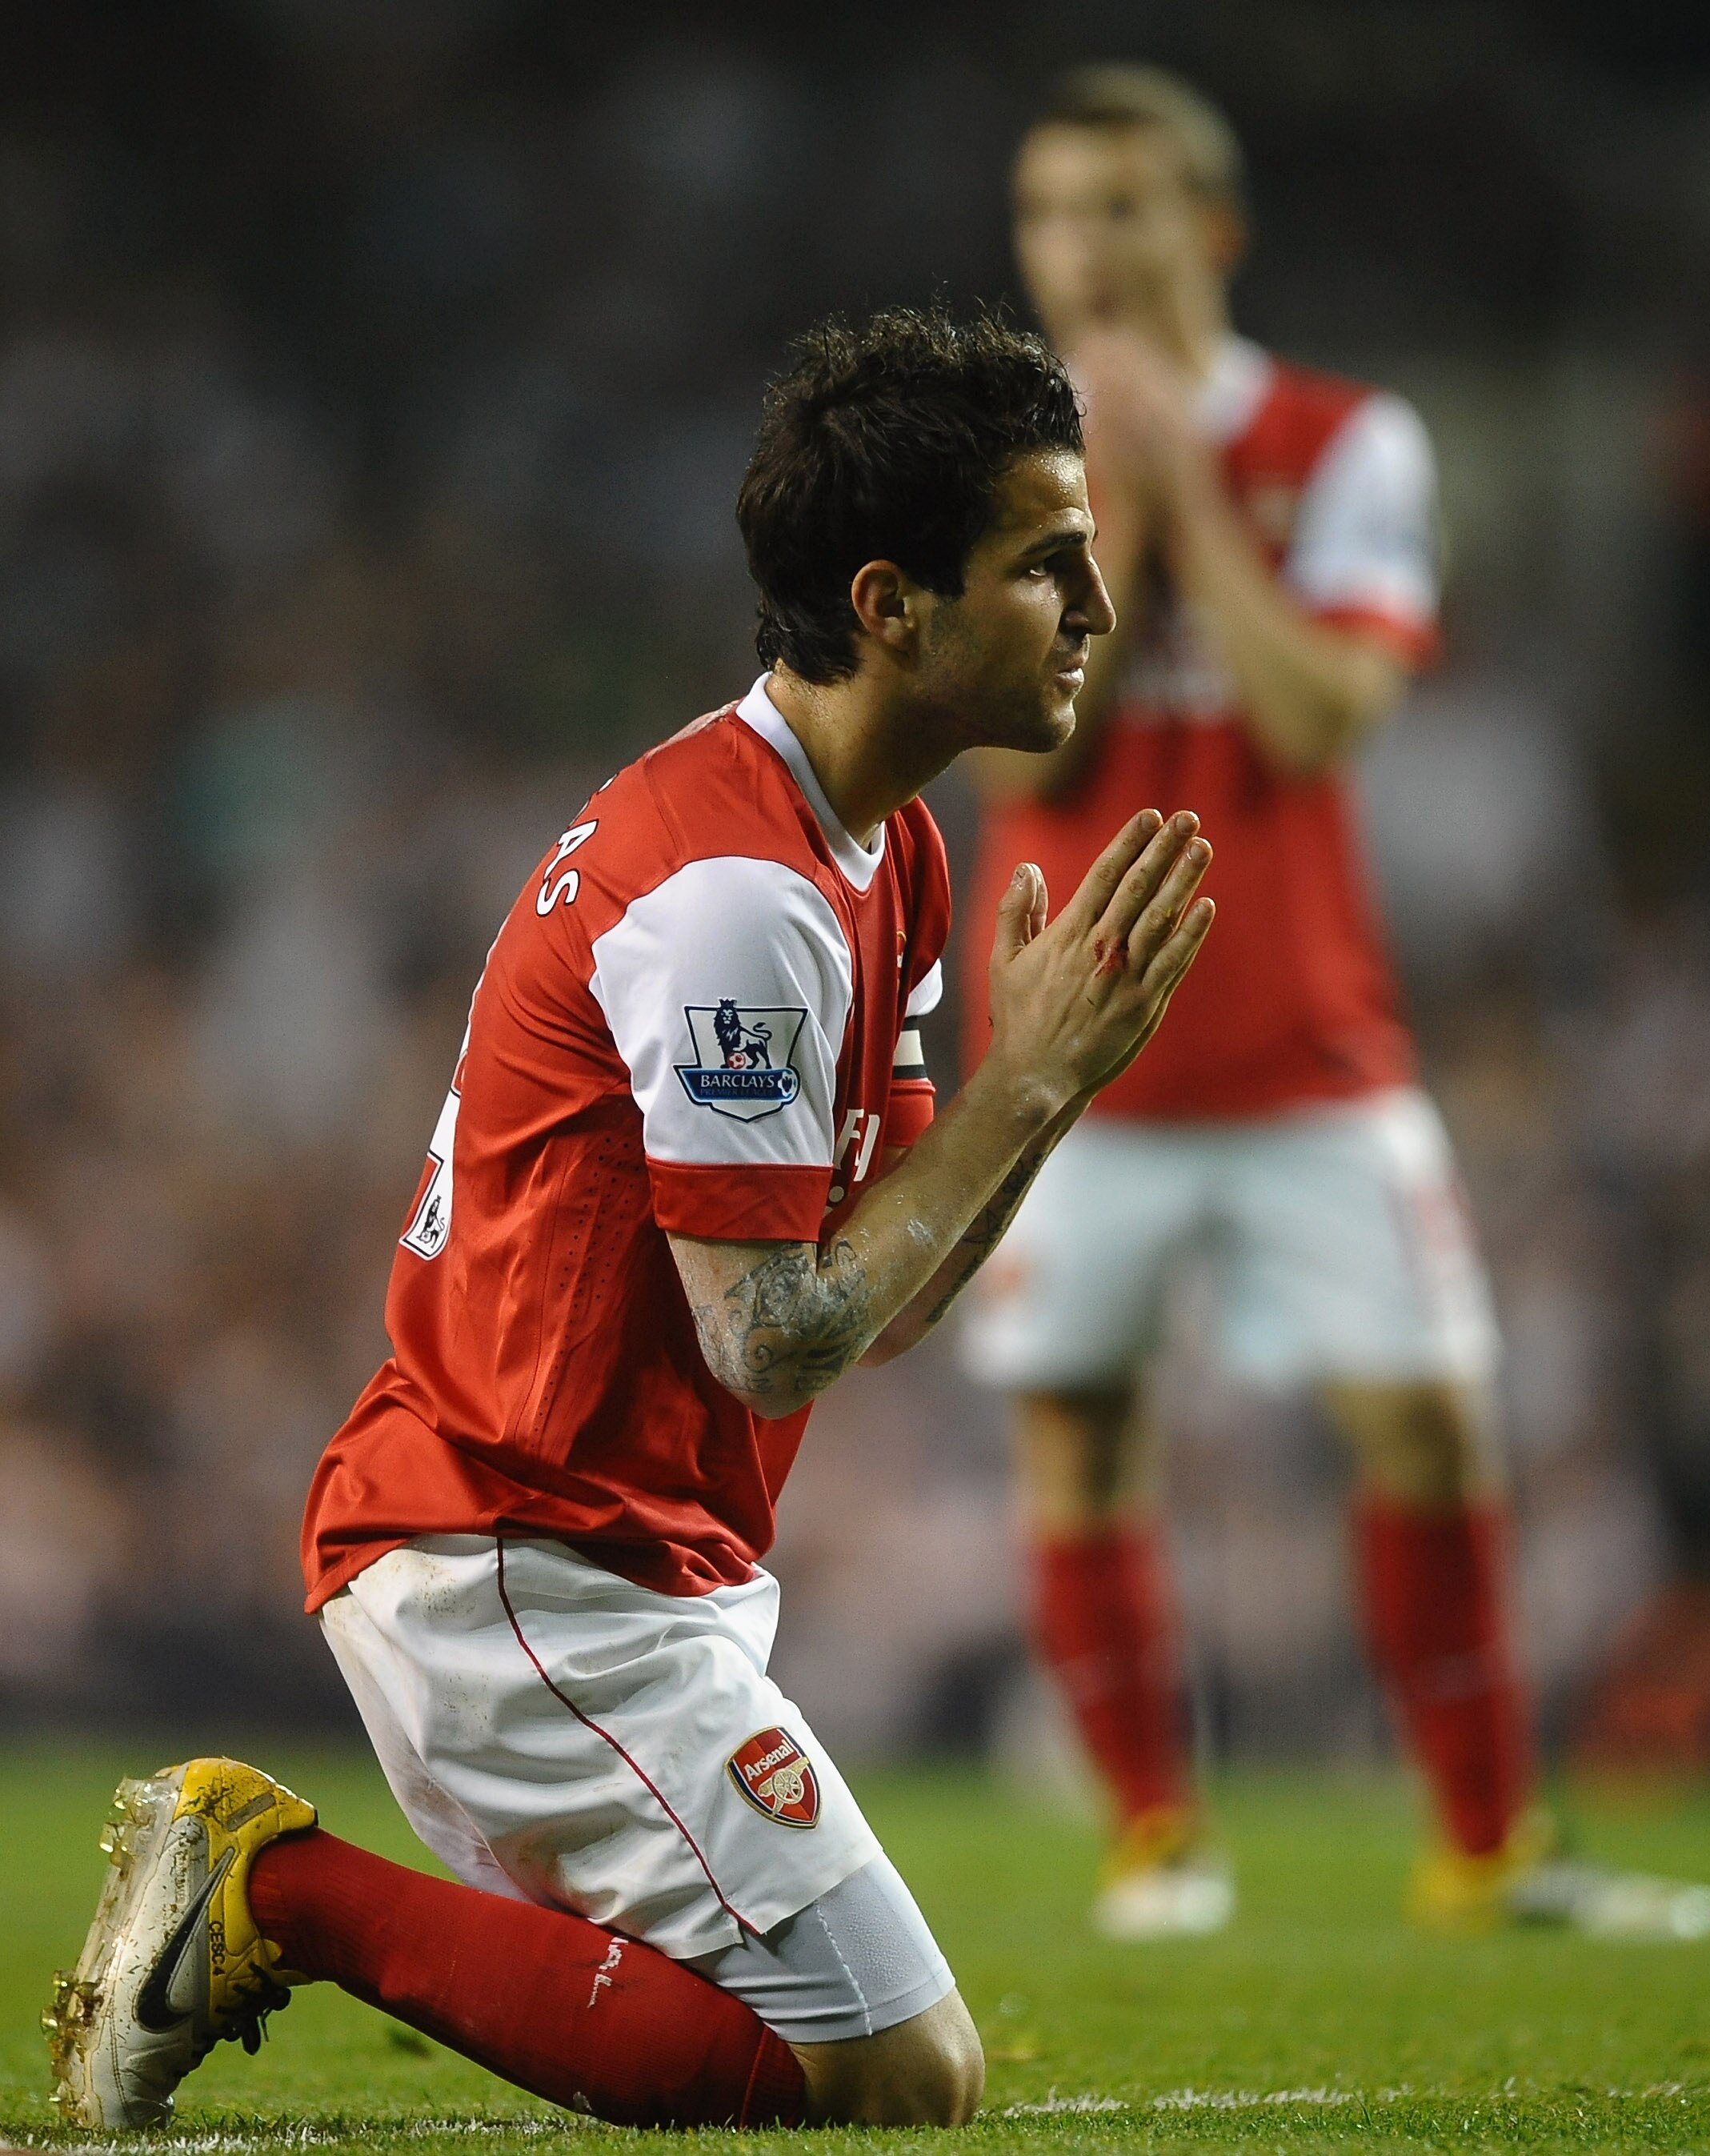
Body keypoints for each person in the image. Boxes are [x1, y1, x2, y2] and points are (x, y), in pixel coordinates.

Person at [46, 305, 1215, 2133]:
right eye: (1046, 564)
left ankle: (269, 1895)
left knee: (823, 2056)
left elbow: (882, 1291)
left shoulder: (878, 845)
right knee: (903, 2079)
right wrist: (1030, 1082)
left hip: (607, 1557)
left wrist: (1035, 1098)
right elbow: (772, 1341)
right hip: (517, 1564)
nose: (1093, 607)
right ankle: (270, 1888)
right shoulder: (739, 894)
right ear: (893, 602)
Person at [959, 66, 1710, 1945]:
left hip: (1307, 1042)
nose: (1087, 248)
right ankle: (1154, 1838)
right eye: (1054, 213)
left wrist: (1188, 494)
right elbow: (1027, 770)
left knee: (1432, 1426)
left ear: (1211, 230)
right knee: (1083, 1439)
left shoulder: (1346, 439)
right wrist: (1108, 503)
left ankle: (1484, 1848)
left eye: (1125, 207)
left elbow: (1318, 719)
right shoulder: (981, 457)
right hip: (1070, 1058)